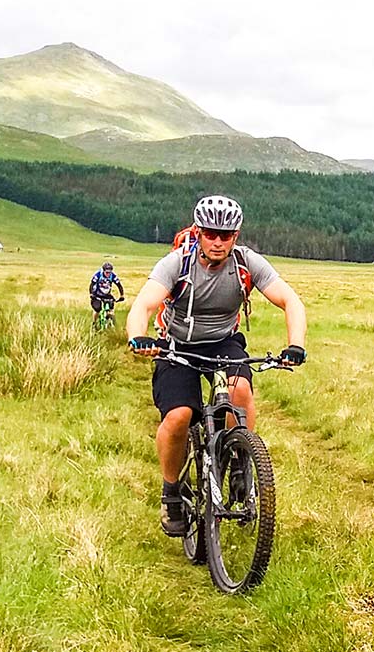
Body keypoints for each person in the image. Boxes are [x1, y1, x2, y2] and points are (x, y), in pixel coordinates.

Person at [125, 195, 308, 537]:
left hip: (224, 342)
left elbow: (290, 300)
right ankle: (171, 493)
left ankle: (240, 462)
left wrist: (295, 344)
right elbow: (144, 305)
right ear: (198, 232)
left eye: (226, 235)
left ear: (236, 236)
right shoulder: (177, 263)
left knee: (240, 391)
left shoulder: (246, 262)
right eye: (211, 233)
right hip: (178, 346)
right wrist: (140, 337)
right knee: (179, 415)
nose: (218, 241)